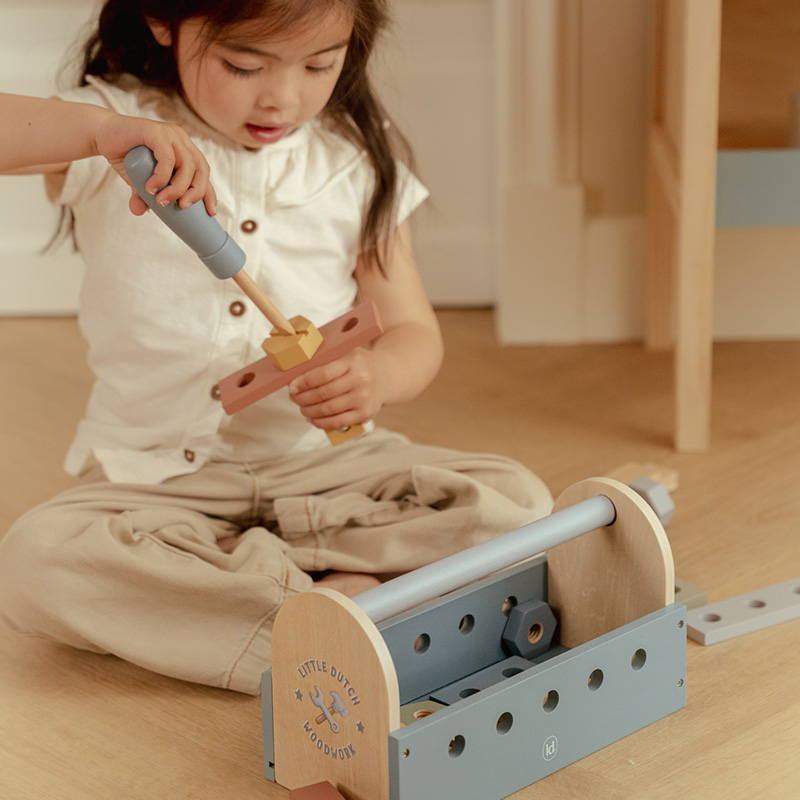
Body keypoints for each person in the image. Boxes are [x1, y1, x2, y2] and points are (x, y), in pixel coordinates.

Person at [0, 0, 552, 695]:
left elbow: (414, 332)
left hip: (323, 471)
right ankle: (334, 617)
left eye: (319, 65)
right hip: (157, 478)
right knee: (37, 562)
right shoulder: (117, 134)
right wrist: (97, 130)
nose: (282, 98)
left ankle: (258, 583)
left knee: (516, 500)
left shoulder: (353, 160)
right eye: (244, 65)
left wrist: (379, 377)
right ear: (164, 21)